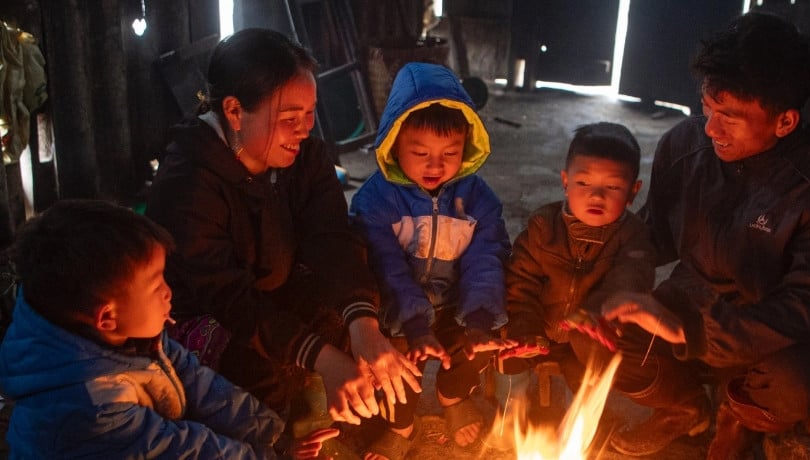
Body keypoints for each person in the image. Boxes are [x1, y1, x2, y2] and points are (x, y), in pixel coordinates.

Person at [589, 12, 810, 458]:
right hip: (690, 301)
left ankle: (737, 420)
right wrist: (604, 276)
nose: (711, 128)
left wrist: (694, 332)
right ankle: (685, 407)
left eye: (730, 116)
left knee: (796, 386)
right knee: (597, 330)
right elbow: (651, 235)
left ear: (785, 122)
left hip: (771, 333)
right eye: (708, 108)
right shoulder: (685, 146)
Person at [144, 28, 420, 429]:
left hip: (279, 289)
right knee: (260, 381)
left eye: (309, 113)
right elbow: (229, 299)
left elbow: (331, 239)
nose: (305, 129)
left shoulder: (306, 156)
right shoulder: (188, 184)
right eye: (290, 118)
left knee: (373, 321)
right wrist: (323, 356)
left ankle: (354, 422)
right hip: (208, 313)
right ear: (235, 111)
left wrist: (363, 324)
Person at [0, 199, 309, 458]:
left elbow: (194, 379)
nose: (168, 291)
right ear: (107, 316)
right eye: (155, 283)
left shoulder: (119, 334)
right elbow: (182, 450)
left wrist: (272, 436)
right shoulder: (88, 410)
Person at [349, 62, 517, 459]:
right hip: (399, 313)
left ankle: (452, 397)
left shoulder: (478, 199)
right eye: (420, 152)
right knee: (395, 364)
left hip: (456, 308)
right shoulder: (376, 200)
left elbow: (487, 258)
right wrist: (414, 323)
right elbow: (385, 265)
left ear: (467, 146)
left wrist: (477, 320)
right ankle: (401, 423)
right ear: (393, 145)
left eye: (450, 152)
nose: (435, 165)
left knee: (482, 344)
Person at [495, 122, 656, 427]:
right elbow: (520, 282)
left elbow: (631, 279)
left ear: (634, 191)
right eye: (583, 183)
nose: (596, 196)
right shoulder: (544, 226)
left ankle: (583, 422)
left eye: (612, 187)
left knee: (590, 369)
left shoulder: (633, 235)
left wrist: (594, 315)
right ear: (565, 181)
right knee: (506, 348)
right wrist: (525, 327)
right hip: (537, 322)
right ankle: (509, 416)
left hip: (588, 332)